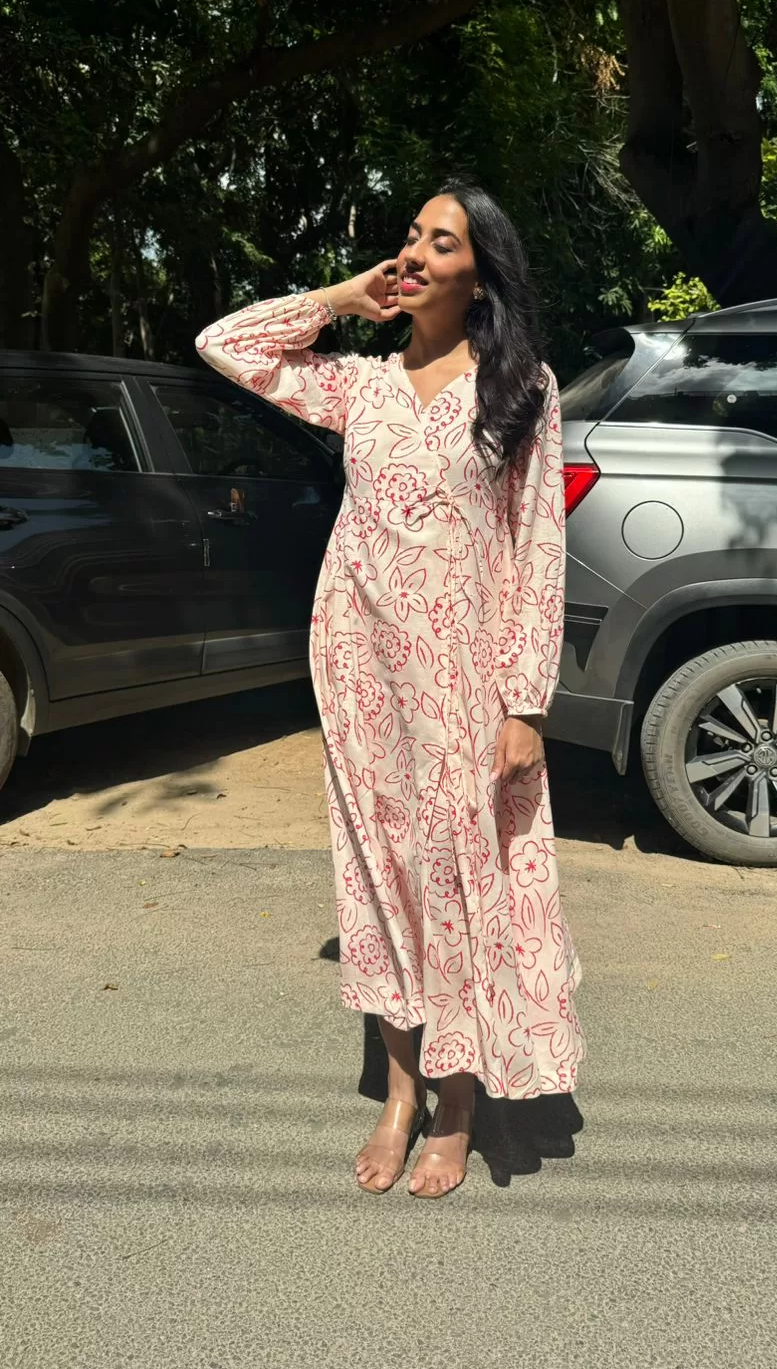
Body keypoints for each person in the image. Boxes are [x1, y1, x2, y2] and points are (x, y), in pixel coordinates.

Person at [196, 183, 584, 1199]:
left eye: (439, 242)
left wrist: (525, 703)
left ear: (481, 276)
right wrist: (338, 297)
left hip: (465, 679)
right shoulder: (357, 387)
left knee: (454, 879)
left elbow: (539, 549)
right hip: (360, 668)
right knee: (380, 874)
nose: (413, 253)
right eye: (409, 236)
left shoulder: (521, 390)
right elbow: (223, 345)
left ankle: (458, 1104)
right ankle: (401, 1092)